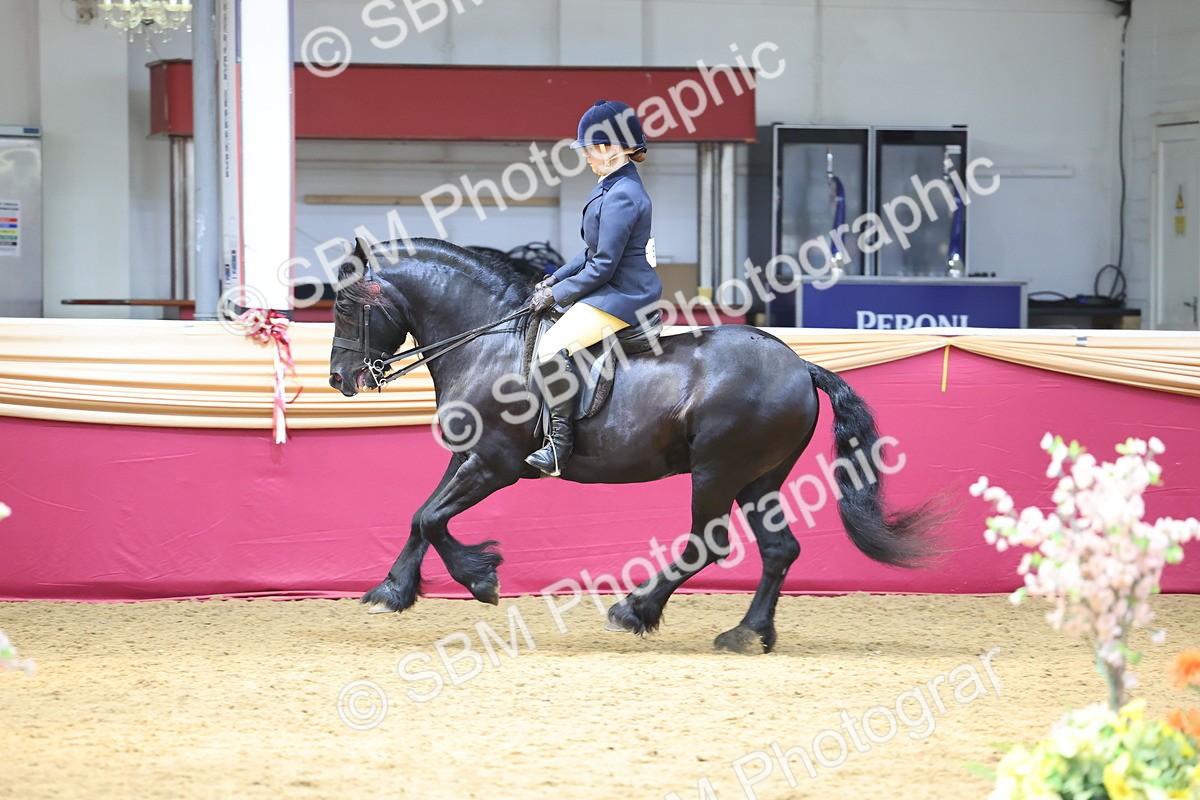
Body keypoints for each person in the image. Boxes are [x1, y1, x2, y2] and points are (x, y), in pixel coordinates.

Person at [525, 100, 662, 476]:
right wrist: (554, 278)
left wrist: (558, 293)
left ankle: (558, 445)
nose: (585, 155)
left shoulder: (623, 195)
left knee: (552, 346)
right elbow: (590, 253)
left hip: (623, 295)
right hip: (610, 284)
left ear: (612, 148)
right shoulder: (610, 186)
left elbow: (603, 266)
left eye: (589, 148)